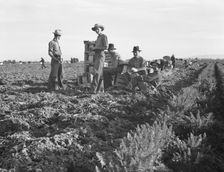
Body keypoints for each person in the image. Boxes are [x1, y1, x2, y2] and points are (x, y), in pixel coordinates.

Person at [91, 24, 108, 93]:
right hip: (97, 55)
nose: (96, 31)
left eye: (98, 29)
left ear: (101, 29)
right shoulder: (98, 38)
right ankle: (99, 90)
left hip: (100, 55)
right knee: (99, 73)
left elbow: (106, 47)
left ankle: (93, 89)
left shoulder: (104, 36)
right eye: (95, 30)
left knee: (97, 72)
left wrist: (95, 48)